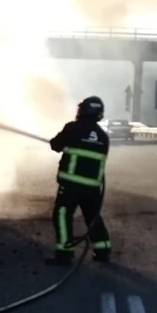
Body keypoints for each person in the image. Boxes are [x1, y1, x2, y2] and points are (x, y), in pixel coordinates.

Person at [46, 95, 112, 266]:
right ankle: (103, 250)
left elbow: (56, 145)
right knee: (93, 218)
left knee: (62, 215)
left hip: (71, 186)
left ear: (83, 110)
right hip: (92, 188)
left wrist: (54, 142)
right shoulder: (103, 137)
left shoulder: (73, 128)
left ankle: (64, 254)